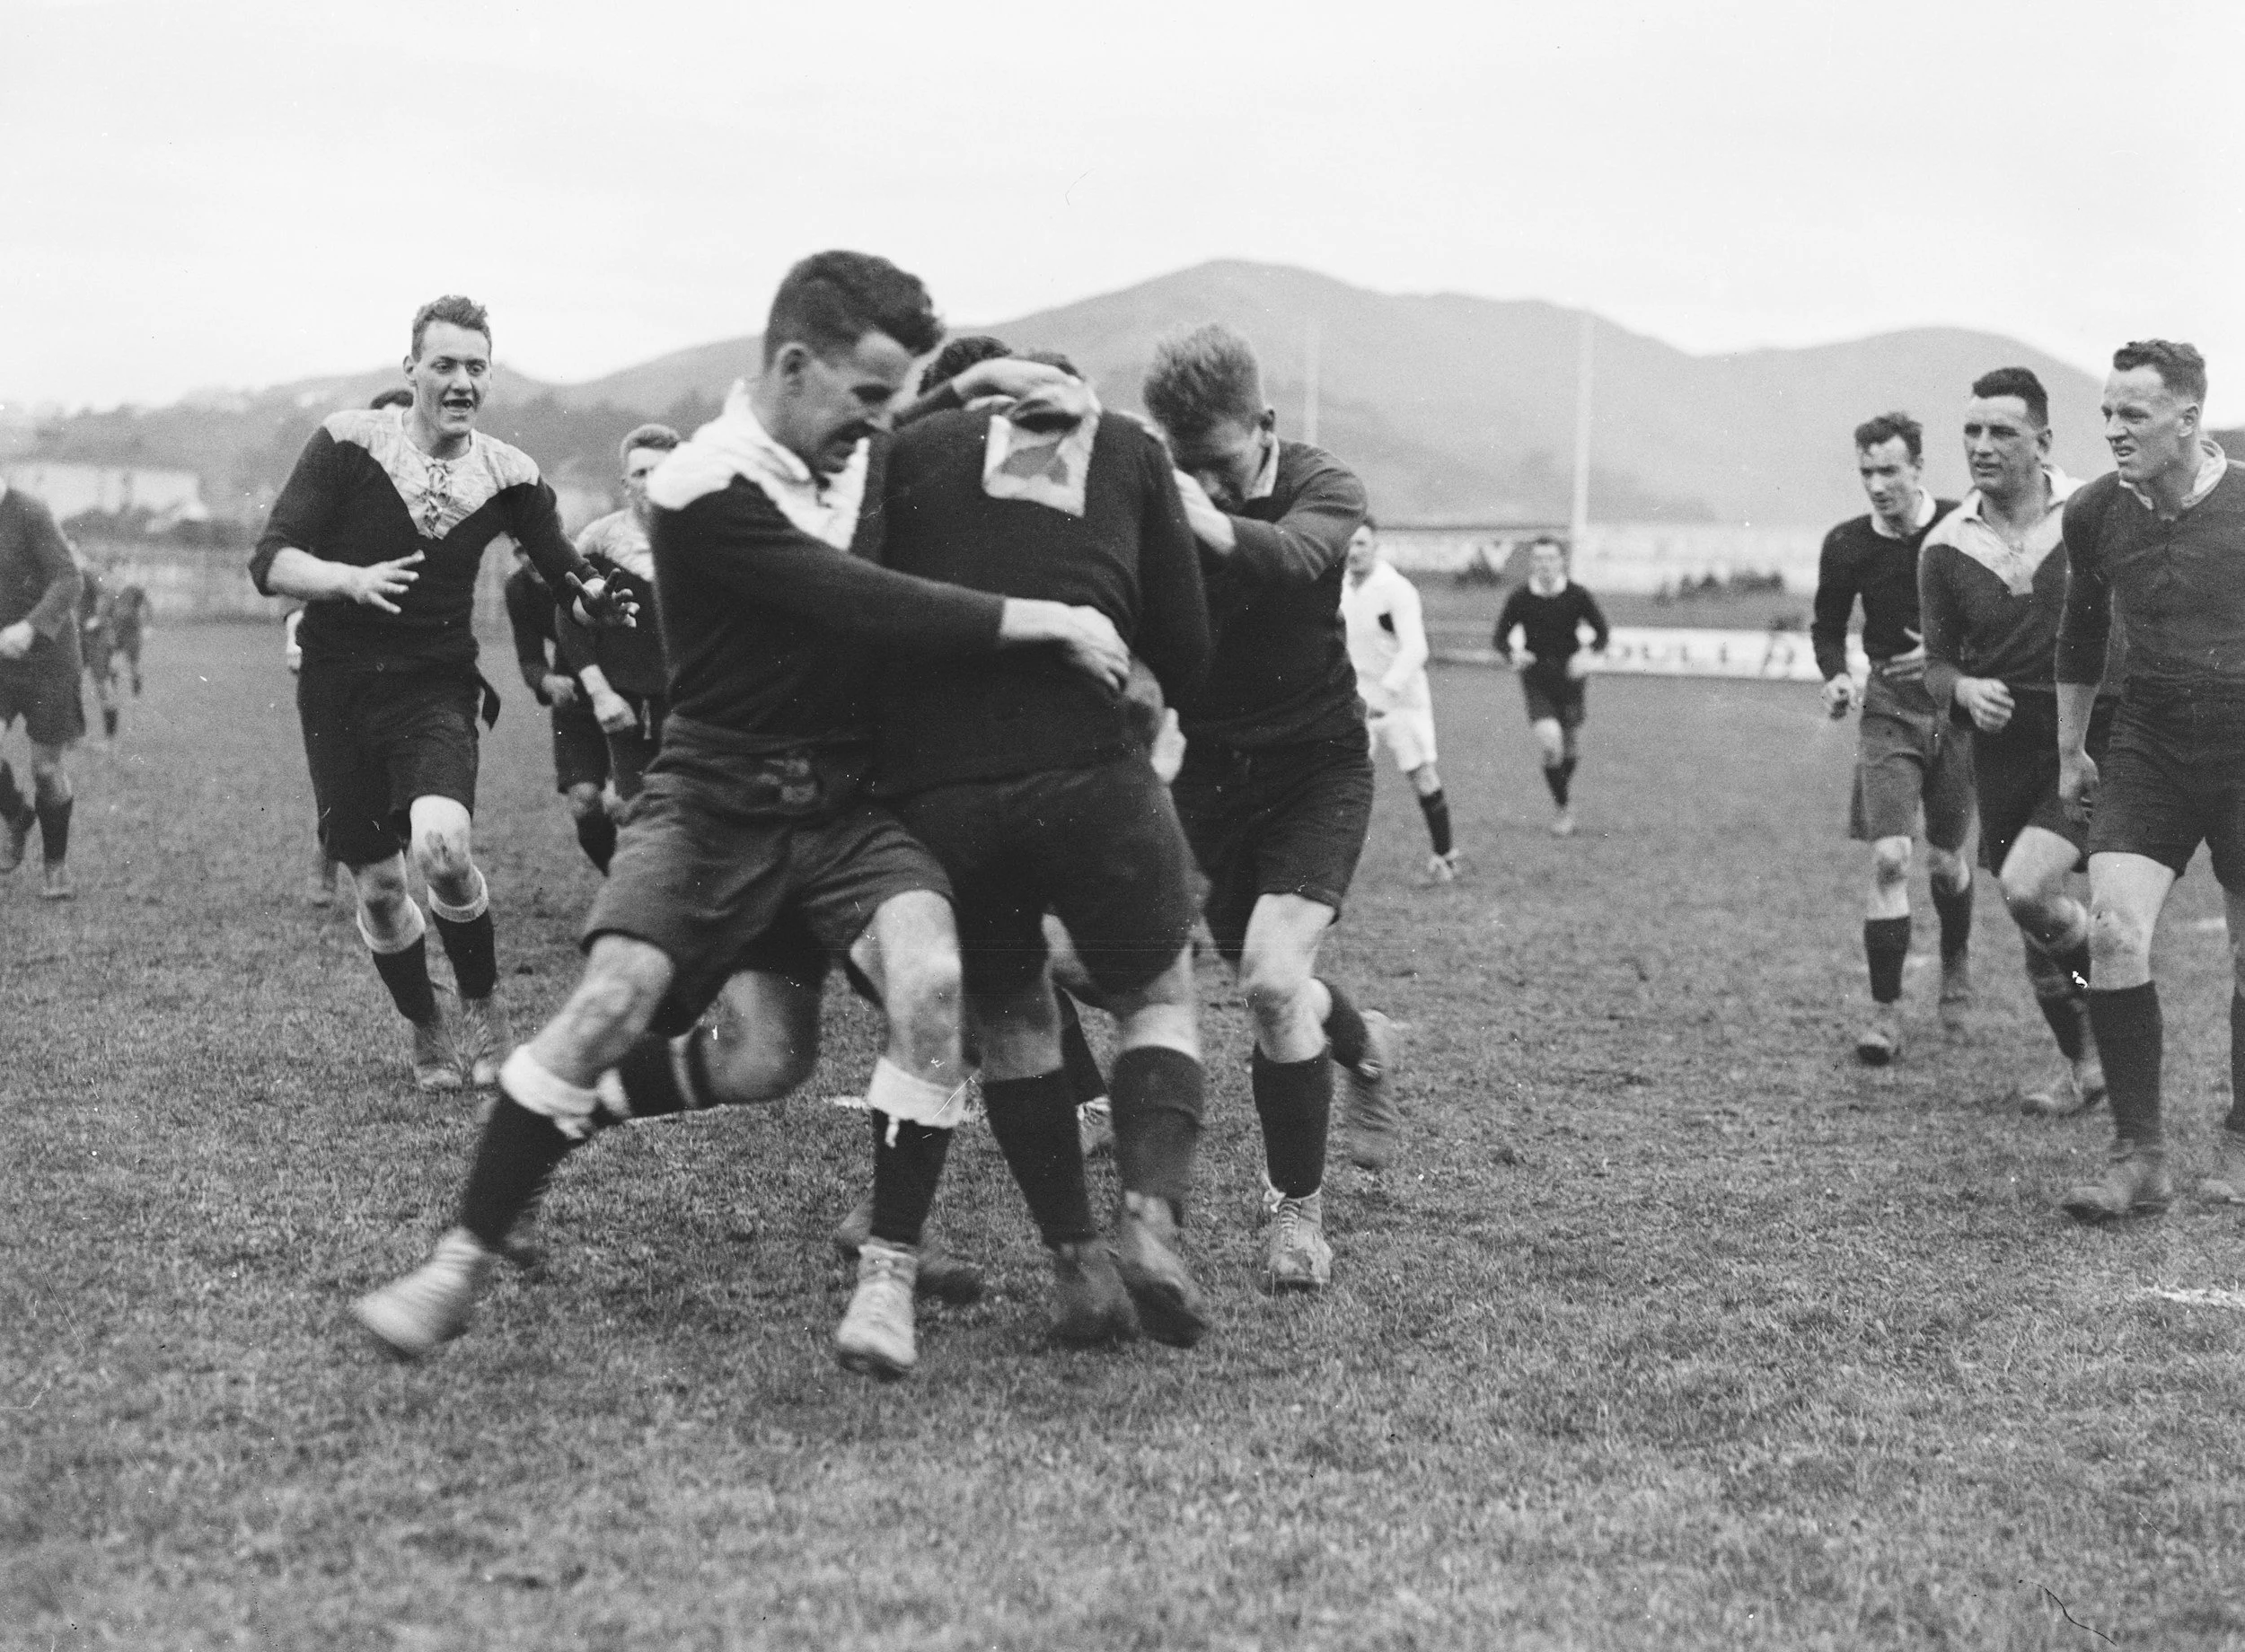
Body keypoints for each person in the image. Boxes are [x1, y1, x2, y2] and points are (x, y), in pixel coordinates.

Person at [350, 251, 1134, 1380]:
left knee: (909, 990)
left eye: (892, 400)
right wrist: (1038, 619)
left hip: (847, 807)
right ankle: (459, 1261)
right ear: (795, 366)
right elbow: (853, 597)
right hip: (714, 793)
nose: (882, 423)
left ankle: (889, 1275)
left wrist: (997, 382)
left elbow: (914, 414)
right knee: (649, 1014)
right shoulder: (697, 488)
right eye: (866, 397)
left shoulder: (848, 434)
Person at [874, 341, 1214, 1345]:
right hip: (1087, 765)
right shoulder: (1126, 445)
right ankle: (1147, 1220)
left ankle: (1075, 1268)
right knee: (1157, 994)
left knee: (1017, 1016)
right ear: (1073, 390)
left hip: (942, 784)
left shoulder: (907, 448)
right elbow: (1187, 648)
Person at [249, 296, 633, 1092]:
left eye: (476, 367)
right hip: (336, 690)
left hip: (435, 687)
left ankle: (485, 1009)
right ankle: (427, 1027)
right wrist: (348, 580)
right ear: (412, 369)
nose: (462, 382)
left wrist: (590, 595)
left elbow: (559, 560)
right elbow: (272, 562)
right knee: (384, 890)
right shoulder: (348, 440)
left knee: (444, 850)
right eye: (446, 365)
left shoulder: (508, 471)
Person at [1142, 321, 1399, 1292]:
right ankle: (1362, 1039)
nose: (1201, 484)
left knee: (1266, 980)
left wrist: (1182, 509)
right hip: (1208, 776)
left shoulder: (1323, 485)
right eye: (1182, 466)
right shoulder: (1159, 487)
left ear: (1265, 424)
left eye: (1216, 464)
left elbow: (1292, 561)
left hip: (1317, 770)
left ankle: (1295, 1213)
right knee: (1270, 982)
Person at [2052, 340, 2245, 1219]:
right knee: (2113, 931)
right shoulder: (2093, 512)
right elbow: (2082, 632)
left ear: (2186, 418)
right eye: (2106, 413)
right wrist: (2069, 748)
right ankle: (2139, 1157)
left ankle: (2242, 1141)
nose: (2114, 430)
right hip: (2150, 737)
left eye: (2133, 413)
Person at [1920, 368, 2113, 1118]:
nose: (1982, 446)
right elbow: (1935, 664)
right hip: (2004, 751)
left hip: (2096, 738)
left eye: (2001, 431)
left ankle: (2117, 1006)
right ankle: (2087, 1067)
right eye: (1971, 431)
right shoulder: (1944, 546)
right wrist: (1963, 692)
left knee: (2030, 889)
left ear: (2043, 441)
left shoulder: (2097, 512)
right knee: (2034, 918)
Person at [1812, 413, 1973, 1064]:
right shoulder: (1847, 543)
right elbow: (1827, 627)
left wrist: (1945, 657)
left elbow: (1999, 614)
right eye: (1866, 472)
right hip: (1887, 710)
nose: (1877, 485)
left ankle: (1956, 962)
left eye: (1889, 471)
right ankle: (1884, 1016)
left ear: (1918, 469)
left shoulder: (1963, 525)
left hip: (1957, 708)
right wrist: (1837, 677)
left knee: (1945, 861)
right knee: (1889, 859)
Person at [559, 425, 679, 807]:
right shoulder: (598, 541)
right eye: (641, 473)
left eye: (662, 471)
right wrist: (601, 693)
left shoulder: (711, 538)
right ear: (626, 484)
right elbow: (568, 617)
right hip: (631, 707)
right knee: (637, 816)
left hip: (697, 707)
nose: (652, 482)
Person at [1341, 519, 1457, 883]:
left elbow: (1416, 649)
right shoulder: (1337, 588)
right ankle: (1332, 869)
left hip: (1401, 699)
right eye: (1349, 544)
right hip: (1355, 700)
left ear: (1376, 546)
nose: (1354, 551)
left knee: (1421, 775)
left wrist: (1386, 692)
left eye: (1361, 544)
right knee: (1343, 780)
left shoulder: (1396, 590)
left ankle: (1444, 857)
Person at [502, 547, 615, 874]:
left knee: (630, 802)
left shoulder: (598, 568)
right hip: (575, 695)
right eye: (519, 549)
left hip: (628, 684)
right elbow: (529, 657)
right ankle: (622, 883)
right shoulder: (519, 589)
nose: (530, 558)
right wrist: (547, 682)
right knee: (584, 803)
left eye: (533, 545)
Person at [0, 477, 84, 900]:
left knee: (45, 767)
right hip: (1, 657)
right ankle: (16, 815)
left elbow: (70, 580)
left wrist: (30, 628)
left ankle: (56, 869)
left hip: (49, 657)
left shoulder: (29, 511)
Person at [1492, 538, 1608, 838]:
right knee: (1550, 741)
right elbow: (1499, 639)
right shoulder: (1520, 598)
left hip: (1570, 677)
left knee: (1569, 747)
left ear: (1561, 562)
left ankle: (1560, 794)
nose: (1545, 564)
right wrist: (1514, 654)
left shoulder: (1577, 595)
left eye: (1551, 558)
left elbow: (1602, 632)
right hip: (1536, 677)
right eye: (1539, 559)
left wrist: (1586, 654)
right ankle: (1563, 809)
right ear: (1532, 563)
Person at [283, 605, 347, 906]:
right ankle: (326, 849)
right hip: (329, 651)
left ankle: (388, 872)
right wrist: (296, 629)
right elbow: (287, 563)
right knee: (335, 775)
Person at [75, 557, 122, 741]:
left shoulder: (88, 572)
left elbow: (109, 593)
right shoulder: (63, 571)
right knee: (70, 683)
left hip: (96, 638)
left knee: (103, 686)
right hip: (77, 637)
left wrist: (99, 618)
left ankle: (110, 743)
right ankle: (75, 736)